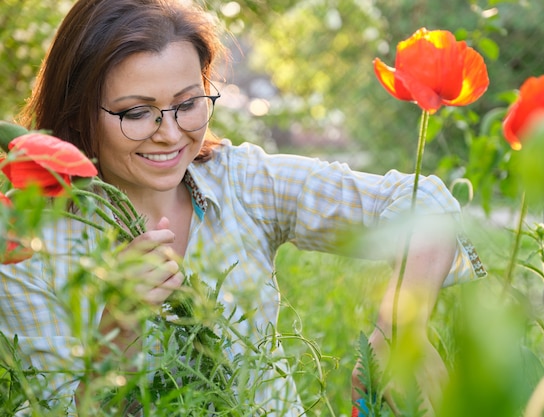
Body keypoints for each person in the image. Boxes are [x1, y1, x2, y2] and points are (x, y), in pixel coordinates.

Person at [0, 0, 486, 415]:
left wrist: (399, 326)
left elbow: (423, 203)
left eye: (188, 103)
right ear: (78, 109)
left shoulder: (241, 182)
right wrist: (117, 331)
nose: (170, 134)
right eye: (137, 112)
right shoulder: (30, 244)